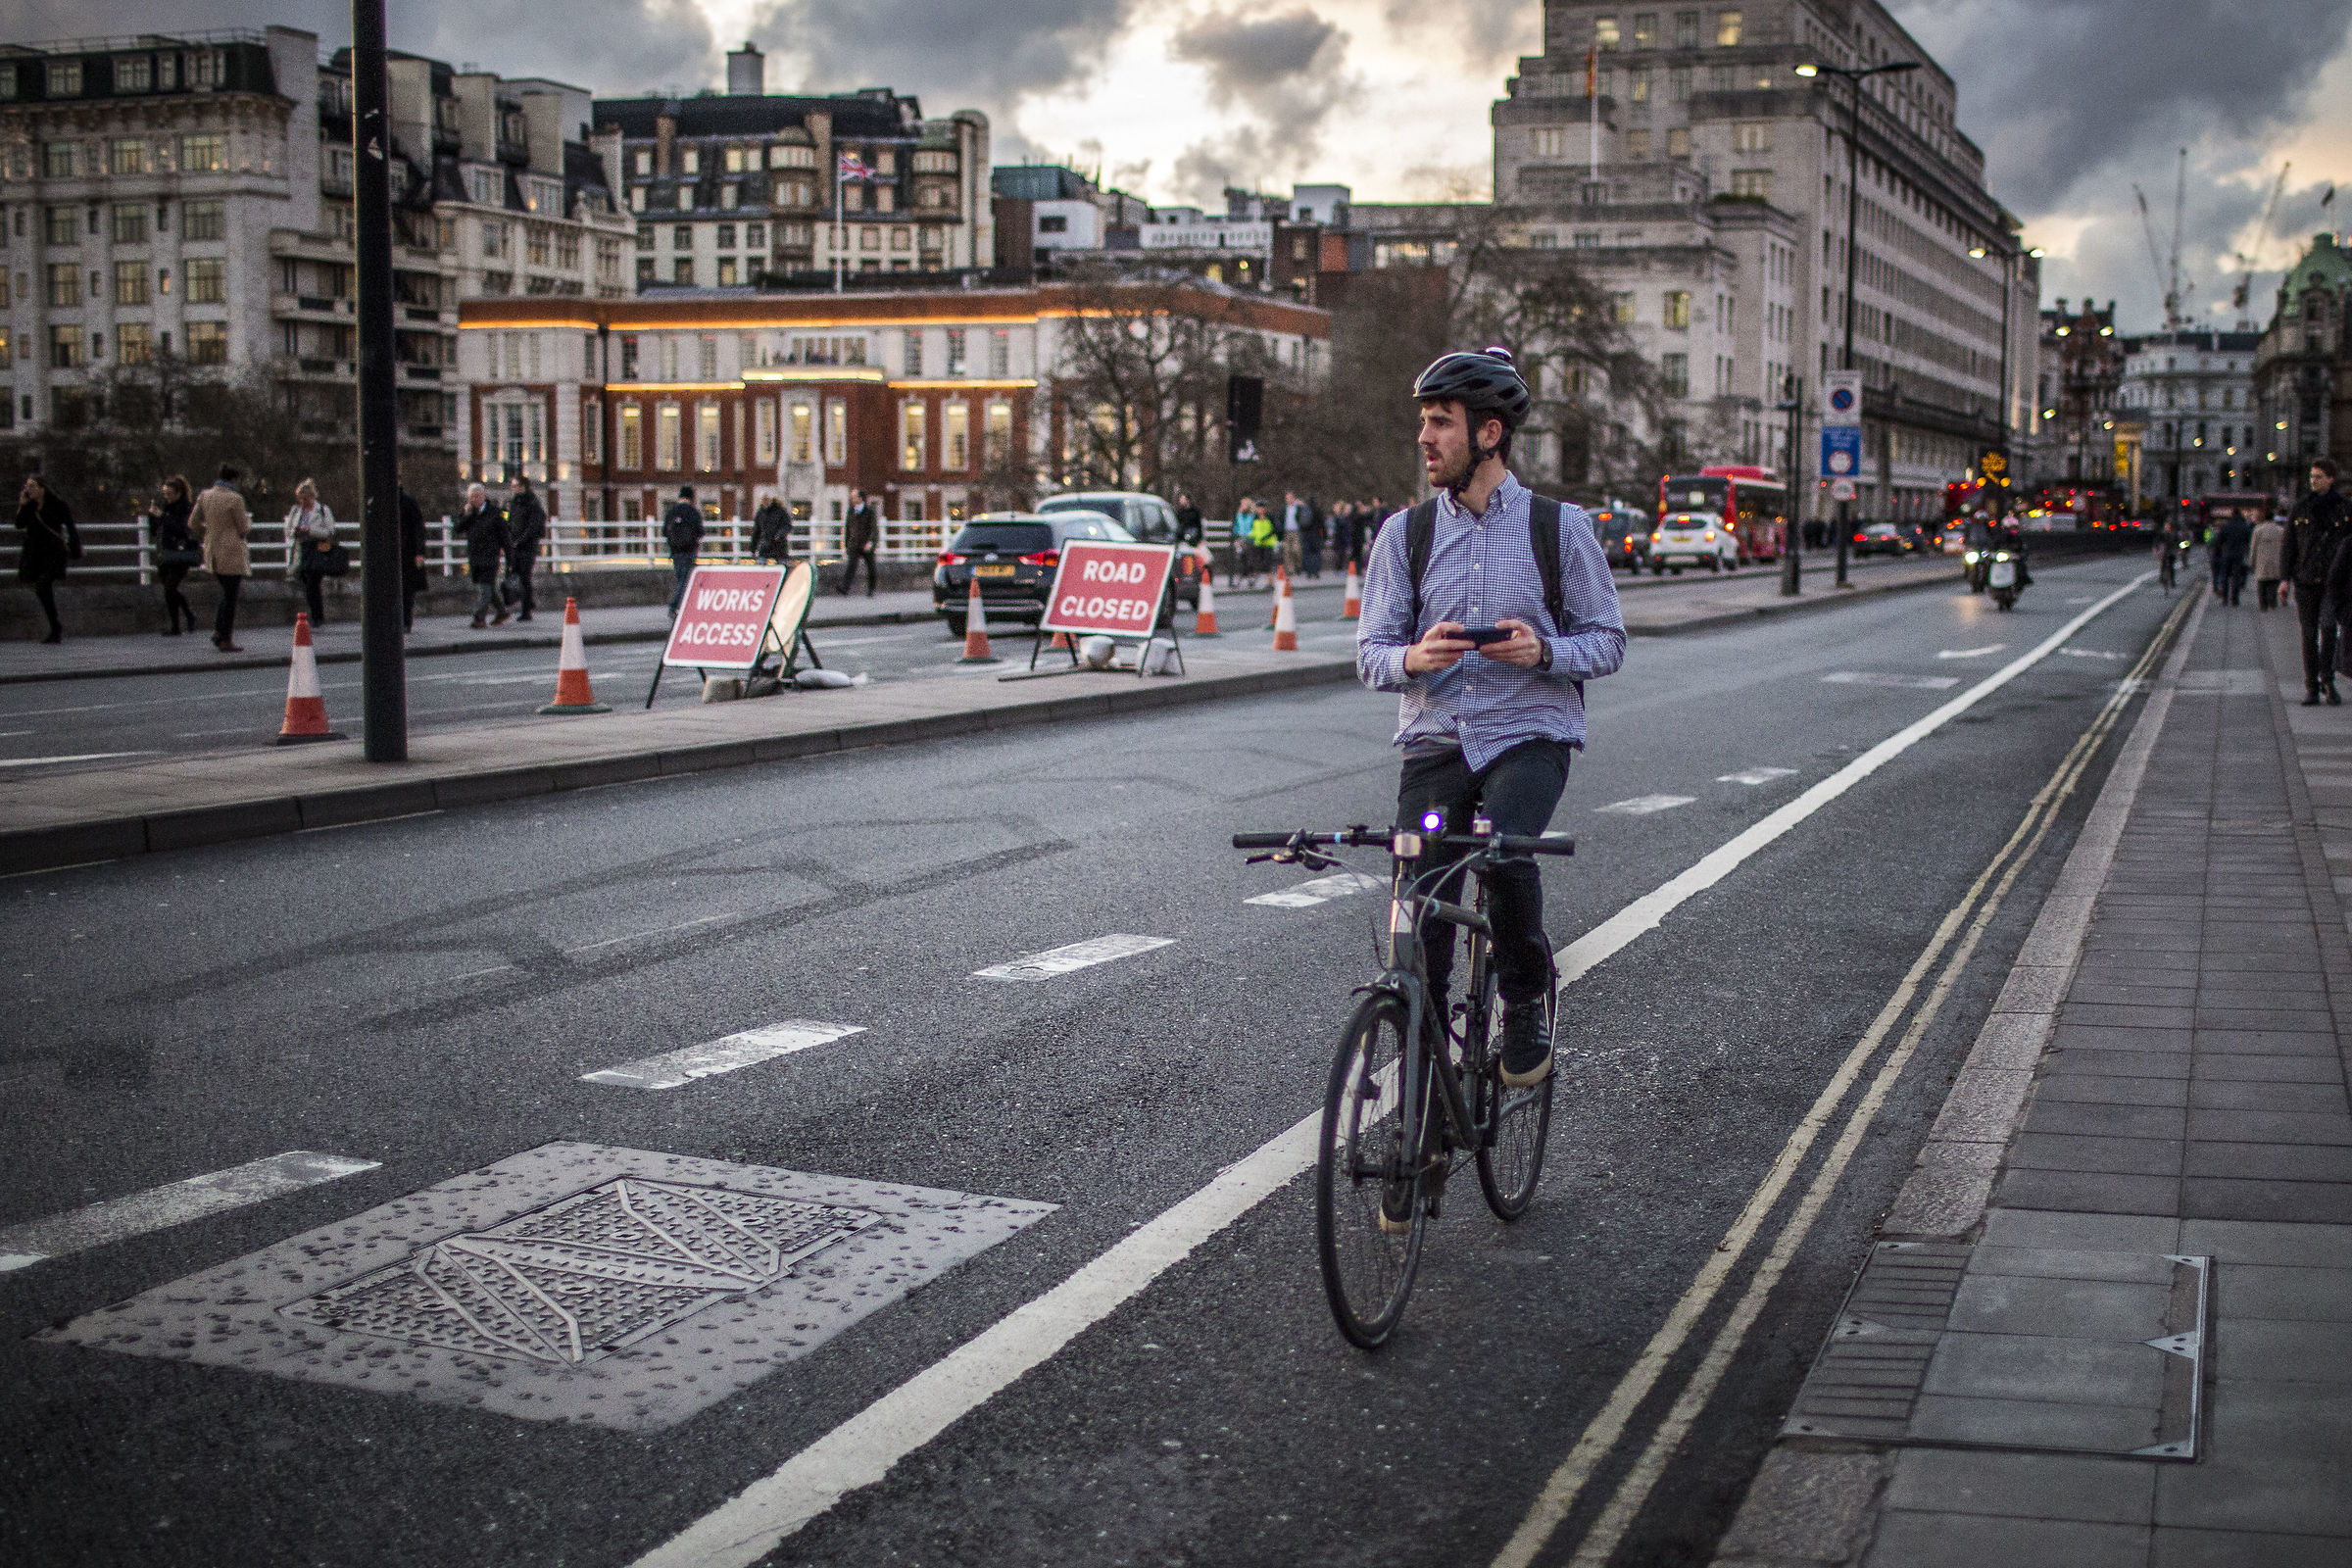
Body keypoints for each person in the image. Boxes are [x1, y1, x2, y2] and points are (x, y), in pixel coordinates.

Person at [1357, 346, 1626, 1113]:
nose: (1424, 438)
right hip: (1437, 735)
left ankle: (1522, 1003)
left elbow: (1607, 641)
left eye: (1440, 422)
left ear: (1489, 433)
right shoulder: (1401, 536)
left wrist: (1544, 651)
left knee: (1504, 847)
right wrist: (1415, 655)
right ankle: (1423, 1063)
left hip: (1529, 731)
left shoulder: (1560, 528)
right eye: (1423, 422)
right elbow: (1371, 657)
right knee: (1422, 892)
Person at [2283, 459, 2348, 706]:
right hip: (2305, 580)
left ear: (2331, 479)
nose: (2314, 481)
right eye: (2312, 477)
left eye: (2319, 477)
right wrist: (2284, 580)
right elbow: (2290, 545)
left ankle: (2328, 682)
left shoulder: (2344, 508)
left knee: (2329, 630)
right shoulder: (2301, 508)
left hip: (2333, 581)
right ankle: (2311, 686)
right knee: (2309, 635)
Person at [190, 464, 252, 652]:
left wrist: (207, 533)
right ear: (233, 480)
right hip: (231, 551)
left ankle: (219, 631)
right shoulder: (235, 499)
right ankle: (225, 636)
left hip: (212, 550)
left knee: (226, 593)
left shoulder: (205, 496)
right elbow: (243, 527)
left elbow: (193, 522)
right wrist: (247, 524)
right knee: (231, 596)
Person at [15, 473, 75, 643]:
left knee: (43, 585)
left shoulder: (57, 504)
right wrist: (22, 505)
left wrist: (74, 548)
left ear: (42, 489)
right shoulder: (30, 506)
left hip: (53, 554)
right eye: (27, 486)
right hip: (35, 555)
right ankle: (55, 627)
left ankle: (55, 627)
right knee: (42, 588)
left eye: (32, 486)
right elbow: (19, 524)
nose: (29, 489)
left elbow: (70, 526)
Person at [284, 478, 339, 625]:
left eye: (305, 499)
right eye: (300, 499)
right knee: (305, 581)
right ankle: (317, 613)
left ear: (312, 497)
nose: (302, 502)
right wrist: (295, 532)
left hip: (316, 551)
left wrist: (311, 531)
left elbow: (330, 530)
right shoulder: (296, 511)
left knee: (312, 583)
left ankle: (317, 616)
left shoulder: (322, 510)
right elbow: (288, 530)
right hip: (301, 550)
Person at [149, 475, 198, 636]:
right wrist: (153, 517)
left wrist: (163, 517)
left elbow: (183, 529)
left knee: (170, 588)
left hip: (180, 553)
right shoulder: (165, 507)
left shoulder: (186, 508)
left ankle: (179, 624)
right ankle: (186, 617)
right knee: (169, 589)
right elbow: (155, 530)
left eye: (169, 494)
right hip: (166, 552)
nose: (166, 497)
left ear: (179, 493)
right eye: (165, 494)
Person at [460, 482, 510, 628]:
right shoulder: (470, 513)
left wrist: (509, 555)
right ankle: (501, 611)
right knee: (488, 587)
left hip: (490, 556)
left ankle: (479, 616)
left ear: (483, 496)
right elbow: (458, 528)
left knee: (485, 588)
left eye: (477, 496)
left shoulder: (494, 512)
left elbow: (504, 535)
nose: (474, 499)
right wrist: (467, 515)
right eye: (472, 497)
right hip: (475, 556)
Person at [503, 475, 545, 621]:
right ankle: (529, 602)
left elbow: (533, 526)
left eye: (516, 486)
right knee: (513, 575)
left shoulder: (532, 503)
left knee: (524, 577)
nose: (513, 489)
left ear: (523, 487)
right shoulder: (512, 503)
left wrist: (521, 540)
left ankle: (526, 610)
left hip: (528, 546)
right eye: (512, 486)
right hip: (514, 546)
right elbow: (509, 521)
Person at [664, 485, 705, 617]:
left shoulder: (672, 512)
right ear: (691, 498)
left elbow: (664, 532)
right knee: (685, 580)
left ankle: (679, 606)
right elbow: (700, 531)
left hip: (675, 552)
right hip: (688, 551)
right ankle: (674, 606)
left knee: (680, 579)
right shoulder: (693, 512)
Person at [398, 485, 427, 633]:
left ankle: (405, 621)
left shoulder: (407, 501)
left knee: (407, 589)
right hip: (399, 551)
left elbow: (418, 527)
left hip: (407, 551)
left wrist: (419, 552)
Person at [840, 488, 878, 595]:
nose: (852, 499)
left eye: (854, 497)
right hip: (854, 543)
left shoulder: (869, 511)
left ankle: (871, 589)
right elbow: (848, 528)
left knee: (871, 567)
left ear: (860, 498)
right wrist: (847, 544)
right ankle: (845, 588)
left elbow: (873, 529)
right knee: (851, 566)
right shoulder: (851, 511)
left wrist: (871, 542)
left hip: (866, 544)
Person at [2212, 509, 2253, 608]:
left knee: (2225, 576)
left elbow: (2219, 540)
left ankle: (2225, 599)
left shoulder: (2225, 526)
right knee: (2236, 576)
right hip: (2239, 554)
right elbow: (2248, 540)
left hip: (2226, 554)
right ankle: (2234, 599)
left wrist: (2217, 552)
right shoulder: (2244, 526)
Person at [2253, 511, 2288, 612]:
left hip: (2261, 561)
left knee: (2261, 584)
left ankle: (2263, 604)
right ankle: (2272, 600)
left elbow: (2253, 547)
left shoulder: (2258, 530)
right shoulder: (2280, 530)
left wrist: (2252, 562)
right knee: (2273, 582)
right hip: (2276, 560)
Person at [752, 494, 792, 564]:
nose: (765, 502)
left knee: (782, 565)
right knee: (762, 565)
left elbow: (787, 525)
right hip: (765, 546)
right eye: (763, 500)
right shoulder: (760, 513)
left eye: (767, 499)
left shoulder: (780, 511)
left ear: (771, 500)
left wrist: (780, 534)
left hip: (779, 545)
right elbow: (757, 531)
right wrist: (753, 548)